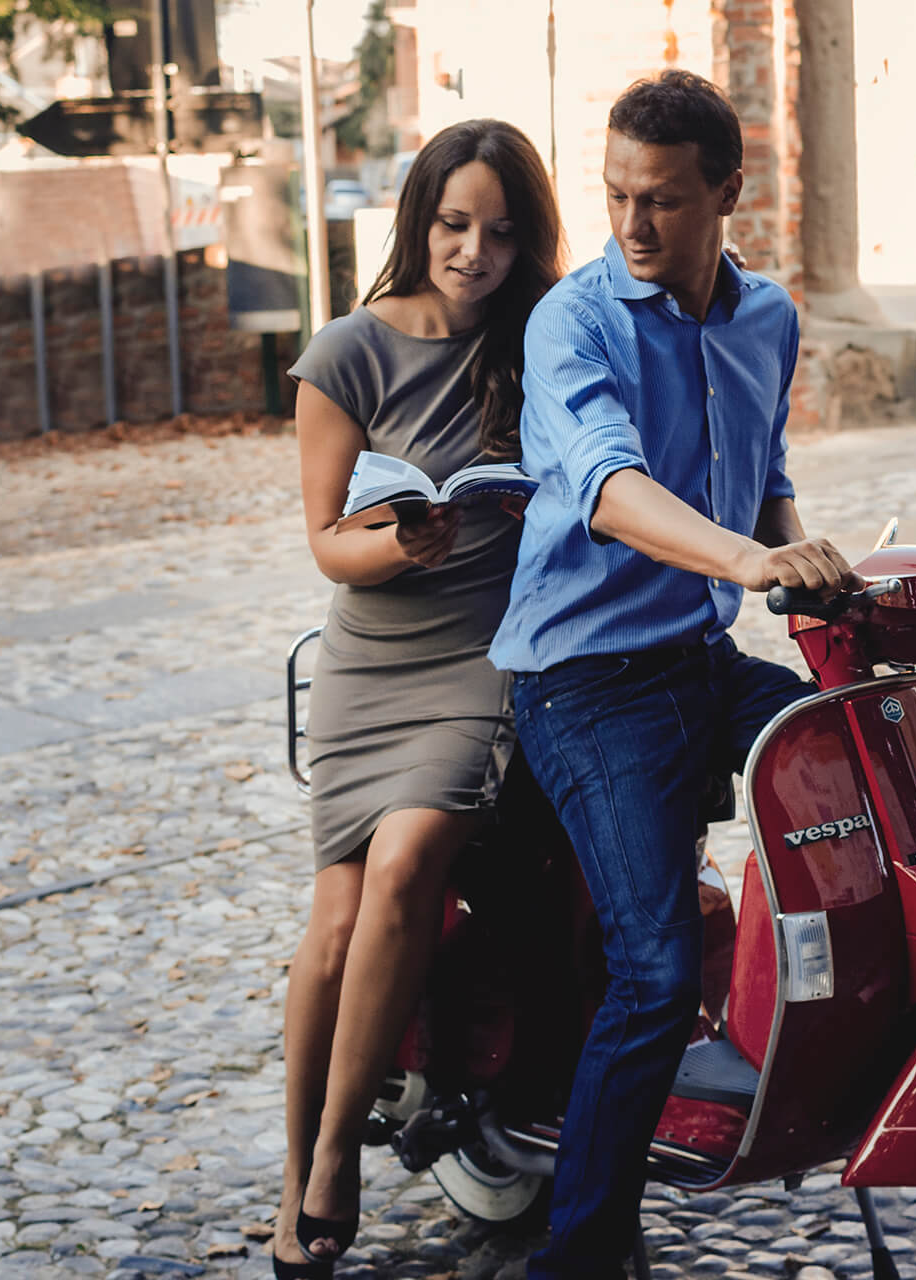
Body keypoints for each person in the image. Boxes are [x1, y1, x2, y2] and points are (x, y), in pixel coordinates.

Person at [489, 69, 862, 1280]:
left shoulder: (771, 318)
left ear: (726, 196)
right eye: (614, 195)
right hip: (582, 682)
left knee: (862, 741)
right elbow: (608, 487)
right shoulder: (575, 319)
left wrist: (808, 566)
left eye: (660, 200)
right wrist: (755, 558)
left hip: (700, 656)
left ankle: (814, 1037)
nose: (631, 225)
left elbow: (762, 469)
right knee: (650, 973)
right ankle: (580, 1253)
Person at [276, 119, 566, 1278]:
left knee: (404, 865)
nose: (475, 252)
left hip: (480, 663)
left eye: (501, 232)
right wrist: (403, 543)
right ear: (420, 219)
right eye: (454, 224)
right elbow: (324, 543)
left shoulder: (540, 338)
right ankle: (294, 1172)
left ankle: (339, 1155)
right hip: (371, 662)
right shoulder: (346, 351)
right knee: (335, 922)